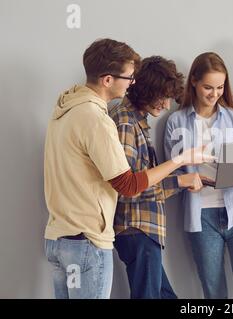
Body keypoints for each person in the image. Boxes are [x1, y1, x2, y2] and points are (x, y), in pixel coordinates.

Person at [44, 39, 208, 299]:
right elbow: (129, 186)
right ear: (108, 79)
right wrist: (180, 165)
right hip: (95, 236)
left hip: (62, 236)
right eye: (129, 77)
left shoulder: (66, 111)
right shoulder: (104, 119)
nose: (132, 82)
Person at [164, 52, 233, 299]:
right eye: (208, 87)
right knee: (214, 294)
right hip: (201, 216)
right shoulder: (176, 122)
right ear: (194, 82)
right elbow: (172, 173)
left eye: (220, 87)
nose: (214, 94)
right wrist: (186, 183)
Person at [109, 56, 206, 299]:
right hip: (136, 227)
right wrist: (180, 180)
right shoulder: (125, 122)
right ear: (144, 90)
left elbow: (140, 180)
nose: (164, 105)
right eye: (161, 97)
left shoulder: (135, 121)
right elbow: (127, 187)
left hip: (143, 229)